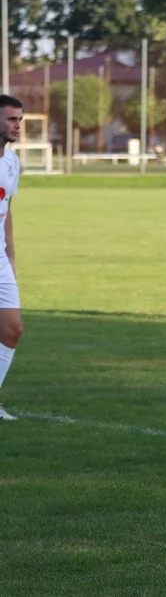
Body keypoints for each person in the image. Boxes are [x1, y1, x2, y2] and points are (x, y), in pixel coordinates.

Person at [0, 95, 25, 421]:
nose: (17, 125)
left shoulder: (12, 161)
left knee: (12, 329)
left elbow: (7, 212)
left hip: (0, 260)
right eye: (10, 119)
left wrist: (11, 258)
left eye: (19, 120)